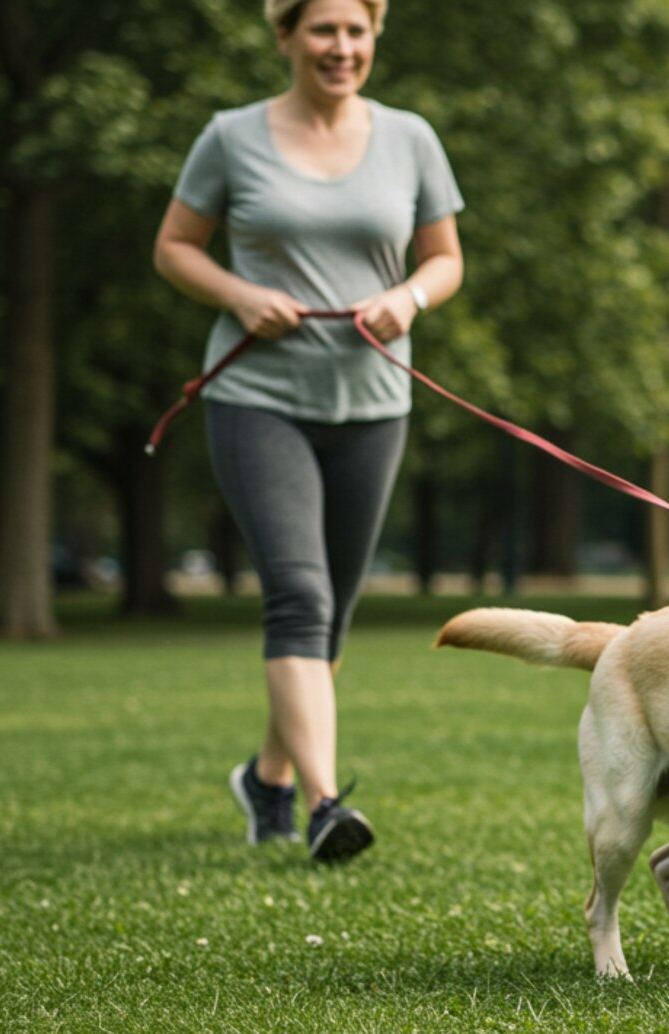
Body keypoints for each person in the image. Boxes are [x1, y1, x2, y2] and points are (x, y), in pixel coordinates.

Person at [152, 0, 463, 861]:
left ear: (375, 38)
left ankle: (268, 778)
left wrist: (410, 296)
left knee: (331, 619)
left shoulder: (410, 139)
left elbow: (445, 257)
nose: (342, 47)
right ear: (285, 35)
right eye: (323, 30)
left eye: (357, 30)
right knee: (300, 595)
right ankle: (327, 804)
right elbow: (175, 245)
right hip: (258, 396)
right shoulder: (230, 137)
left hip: (373, 403)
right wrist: (238, 294)